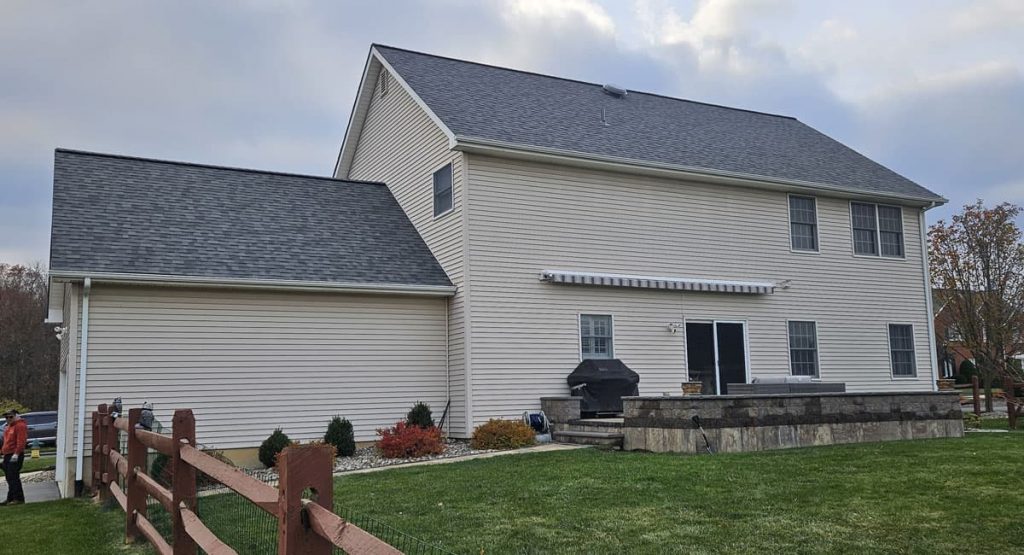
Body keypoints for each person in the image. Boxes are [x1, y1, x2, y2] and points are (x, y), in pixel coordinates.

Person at [1, 409, 28, 505]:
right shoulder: (8, 427)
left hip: (15, 455)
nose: (8, 419)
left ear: (16, 416)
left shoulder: (20, 426)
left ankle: (19, 498)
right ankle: (10, 498)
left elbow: (21, 441)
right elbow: (6, 442)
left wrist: (16, 454)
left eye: (10, 416)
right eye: (6, 417)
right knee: (9, 477)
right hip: (7, 455)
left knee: (13, 477)